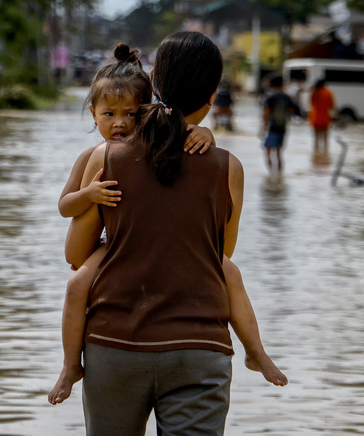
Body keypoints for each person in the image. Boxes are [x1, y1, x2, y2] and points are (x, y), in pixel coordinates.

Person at [62, 32, 285, 435]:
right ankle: (259, 354)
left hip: (114, 346)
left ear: (153, 83)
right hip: (200, 350)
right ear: (212, 96)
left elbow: (76, 255)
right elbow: (220, 254)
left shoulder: (106, 157)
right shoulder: (227, 168)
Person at [261, 75, 296, 173]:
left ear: (272, 84)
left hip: (272, 127)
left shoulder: (270, 97)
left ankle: (271, 174)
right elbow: (291, 111)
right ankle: (279, 174)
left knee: (267, 151)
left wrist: (263, 128)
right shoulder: (287, 97)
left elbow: (265, 113)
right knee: (279, 152)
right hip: (283, 126)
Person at [309, 79, 335, 153]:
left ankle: (316, 154)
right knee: (325, 139)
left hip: (315, 118)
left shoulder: (314, 92)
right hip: (325, 118)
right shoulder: (328, 92)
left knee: (316, 139)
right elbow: (331, 105)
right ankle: (325, 153)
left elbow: (311, 103)